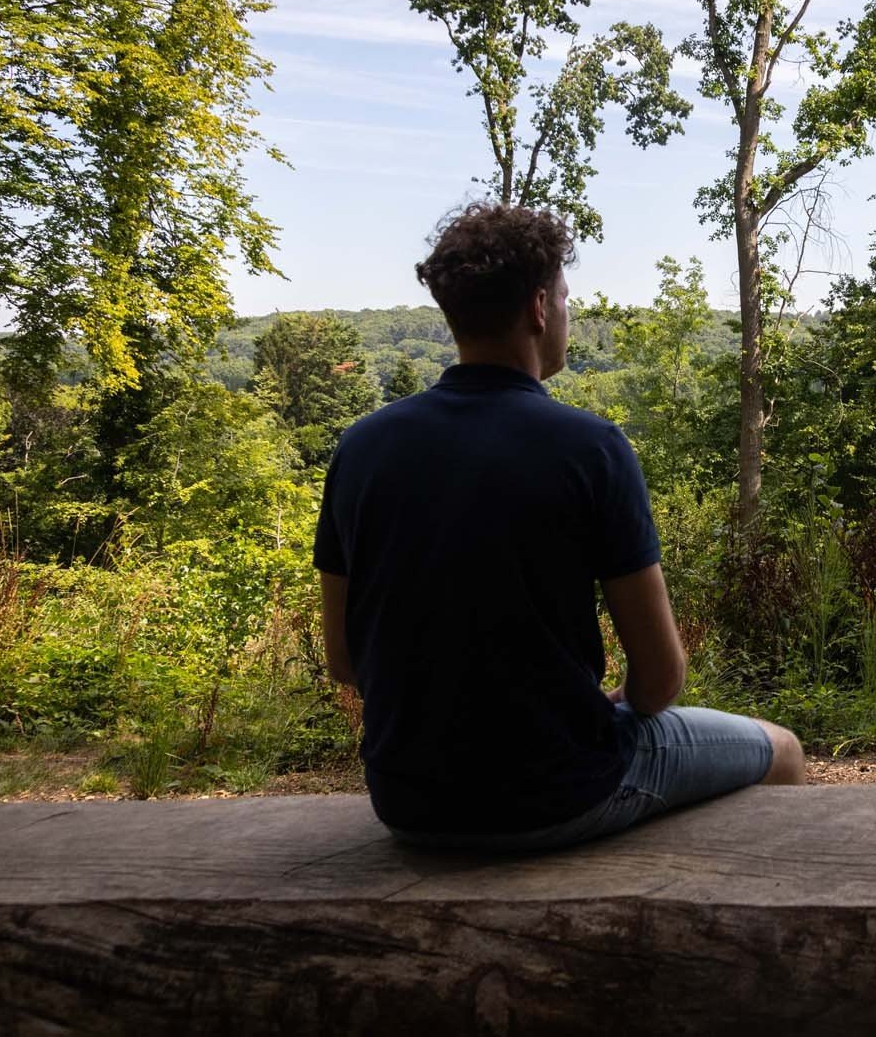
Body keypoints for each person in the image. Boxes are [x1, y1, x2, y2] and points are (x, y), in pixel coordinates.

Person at [314, 202, 804, 851]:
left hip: (408, 804)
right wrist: (617, 702)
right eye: (566, 298)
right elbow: (661, 681)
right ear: (540, 308)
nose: (568, 313)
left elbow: (345, 662)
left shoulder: (361, 449)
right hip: (563, 794)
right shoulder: (591, 448)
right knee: (784, 750)